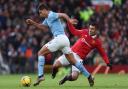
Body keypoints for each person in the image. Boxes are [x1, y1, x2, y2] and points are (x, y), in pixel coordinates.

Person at [26, 3, 94, 86]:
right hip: (65, 40)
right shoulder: (47, 19)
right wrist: (33, 23)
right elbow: (42, 27)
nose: (40, 14)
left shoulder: (51, 14)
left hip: (59, 39)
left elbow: (63, 14)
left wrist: (69, 20)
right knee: (74, 61)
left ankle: (40, 76)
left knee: (40, 53)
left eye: (40, 12)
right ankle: (89, 76)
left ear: (45, 10)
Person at [52, 21, 112, 86]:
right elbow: (73, 31)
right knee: (55, 65)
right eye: (90, 28)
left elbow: (102, 53)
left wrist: (107, 63)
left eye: (92, 29)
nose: (90, 30)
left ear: (96, 30)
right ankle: (54, 73)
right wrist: (69, 23)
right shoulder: (85, 32)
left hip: (79, 58)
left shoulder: (97, 42)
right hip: (70, 53)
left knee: (74, 77)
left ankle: (66, 78)